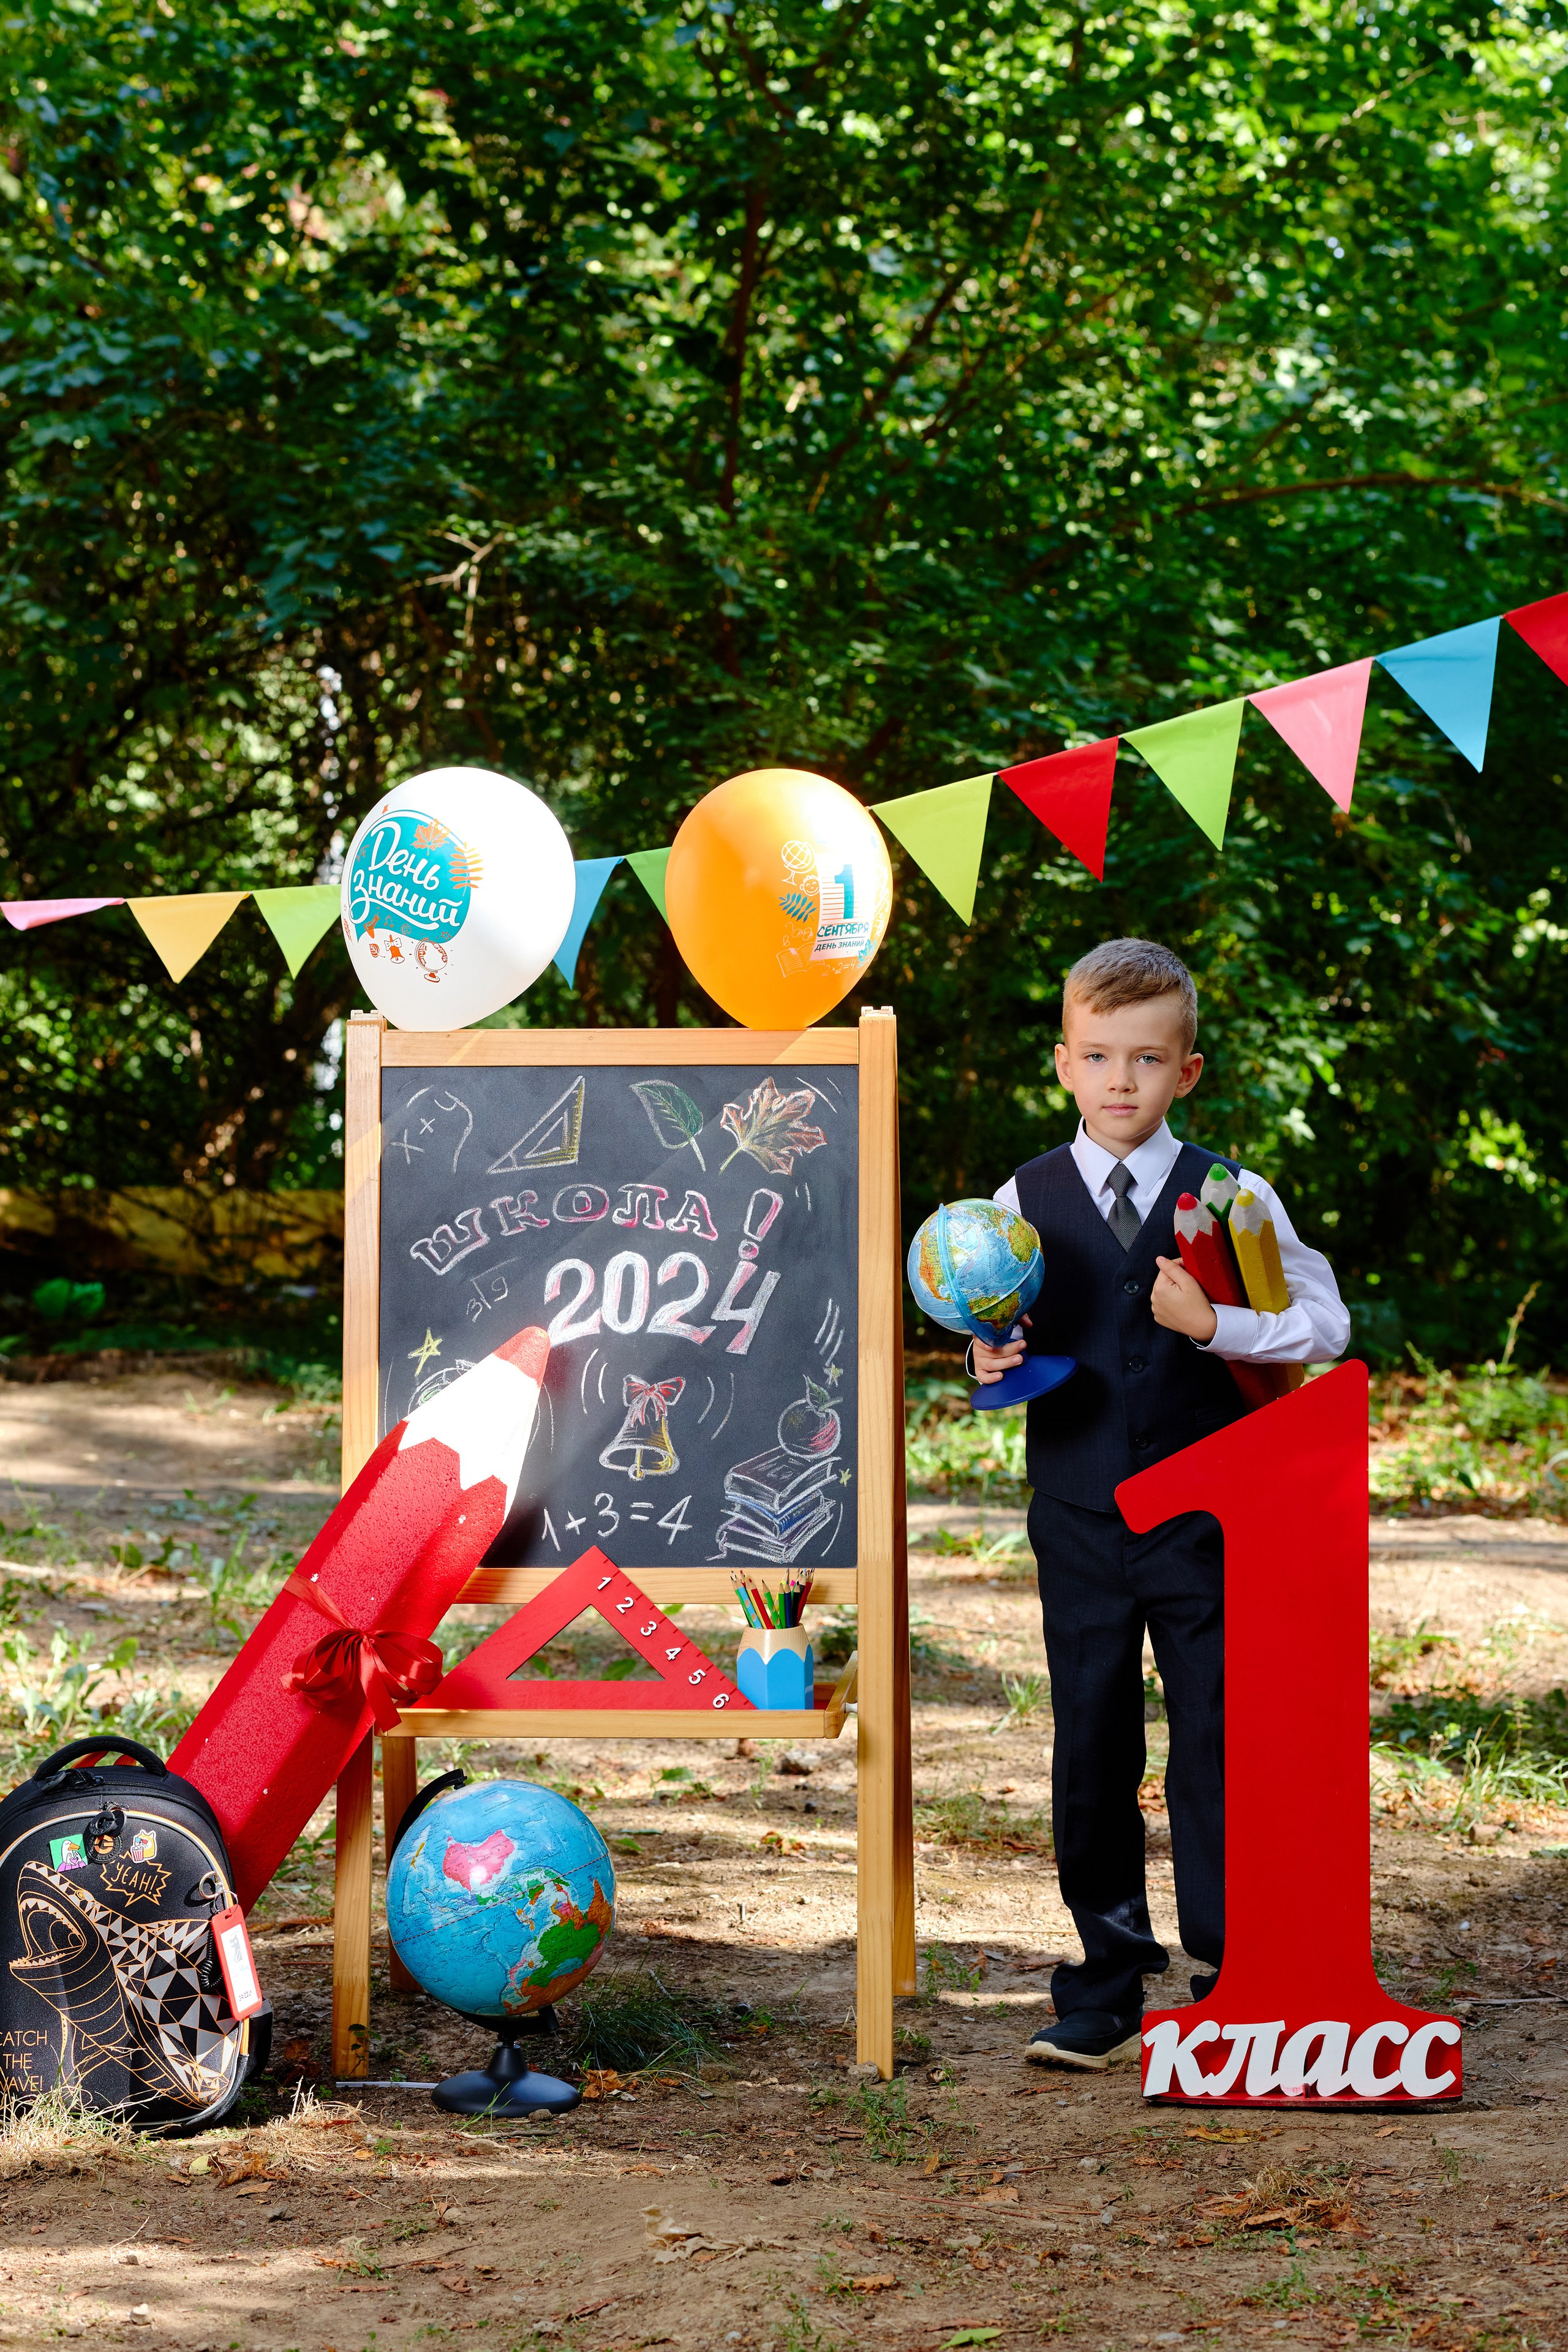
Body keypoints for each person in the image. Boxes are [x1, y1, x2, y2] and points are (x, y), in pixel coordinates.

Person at [972, 937, 1349, 2071]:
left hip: (1207, 1519)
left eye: (1146, 1059)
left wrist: (1216, 1327)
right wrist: (991, 1365)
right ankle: (1104, 1976)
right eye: (1099, 1057)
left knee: (1215, 1739)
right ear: (1064, 1065)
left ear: (1188, 1071)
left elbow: (1325, 1326)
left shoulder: (1233, 1195)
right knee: (1092, 1740)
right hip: (1080, 1514)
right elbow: (997, 1334)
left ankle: (1233, 1973)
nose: (1121, 1081)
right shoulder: (1020, 1201)